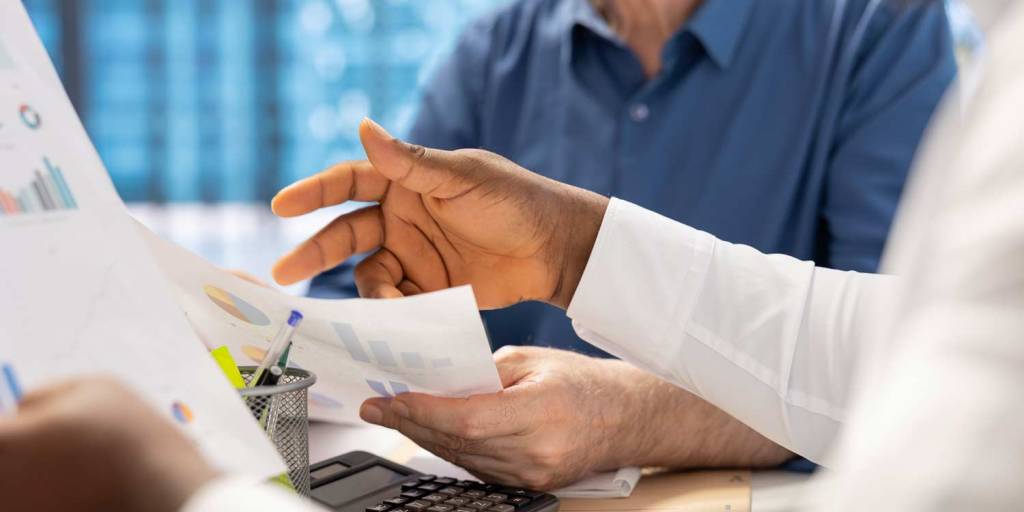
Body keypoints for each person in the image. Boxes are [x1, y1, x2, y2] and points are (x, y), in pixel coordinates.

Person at [306, 0, 957, 478]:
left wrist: (633, 416)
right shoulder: (493, 48)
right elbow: (355, 301)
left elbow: (904, 364)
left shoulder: (878, 26)